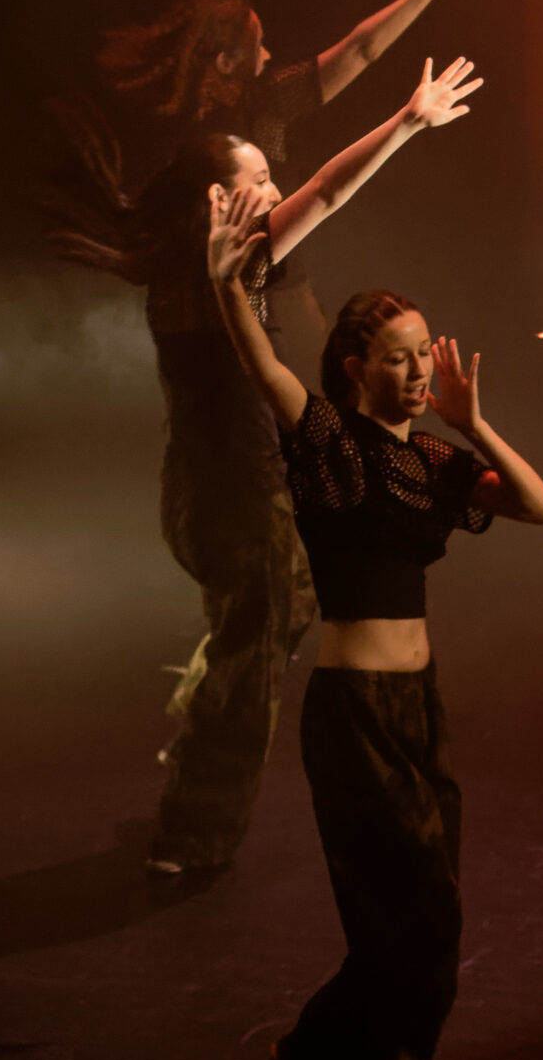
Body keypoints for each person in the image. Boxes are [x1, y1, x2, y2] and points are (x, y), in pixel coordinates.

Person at [51, 56, 486, 877]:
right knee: (256, 658)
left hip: (200, 491)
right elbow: (326, 190)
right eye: (258, 178)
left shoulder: (183, 262)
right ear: (219, 199)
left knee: (291, 605)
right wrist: (406, 122)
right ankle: (191, 831)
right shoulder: (226, 262)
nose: (274, 185)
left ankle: (212, 688)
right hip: (243, 497)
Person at [203, 179, 543, 1060]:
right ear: (356, 365)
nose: (414, 372)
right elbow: (264, 367)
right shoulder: (329, 440)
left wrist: (470, 422)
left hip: (417, 702)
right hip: (353, 706)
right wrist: (228, 283)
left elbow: (539, 506)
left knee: (437, 901)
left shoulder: (435, 463)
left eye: (422, 355)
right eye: (397, 358)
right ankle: (314, 1052)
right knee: (396, 904)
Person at [71, 0, 463, 357]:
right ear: (224, 63)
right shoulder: (257, 107)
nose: (268, 54)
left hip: (229, 290)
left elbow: (361, 48)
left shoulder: (195, 120)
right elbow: (360, 52)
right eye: (257, 45)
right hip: (241, 288)